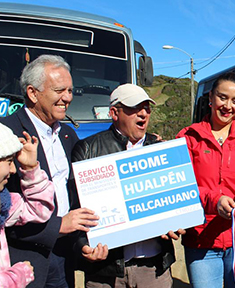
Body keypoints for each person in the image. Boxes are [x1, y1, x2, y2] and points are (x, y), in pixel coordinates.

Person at [0, 54, 99, 288]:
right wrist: (58, 226)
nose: (67, 98)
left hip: (65, 258)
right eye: (59, 90)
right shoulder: (6, 135)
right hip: (23, 264)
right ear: (33, 93)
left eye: (71, 91)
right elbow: (4, 208)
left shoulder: (69, 135)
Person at [70, 84, 176, 287]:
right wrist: (83, 245)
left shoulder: (161, 150)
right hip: (106, 271)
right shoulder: (88, 149)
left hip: (153, 270)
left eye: (147, 107)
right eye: (134, 107)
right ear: (114, 113)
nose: (143, 113)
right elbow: (76, 208)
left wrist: (175, 220)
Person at [176, 72, 235, 288]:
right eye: (222, 97)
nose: (228, 106)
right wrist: (213, 200)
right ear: (210, 98)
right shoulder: (188, 137)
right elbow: (179, 187)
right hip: (201, 241)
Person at [0, 124, 56, 287]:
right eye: (9, 161)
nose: (12, 169)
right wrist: (18, 276)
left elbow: (39, 210)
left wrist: (30, 168)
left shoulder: (3, 203)